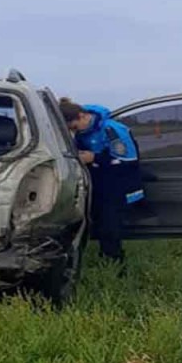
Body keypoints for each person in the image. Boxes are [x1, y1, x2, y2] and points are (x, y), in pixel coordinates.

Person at [59, 98, 145, 269]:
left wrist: (94, 158)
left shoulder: (111, 129)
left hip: (118, 186)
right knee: (97, 226)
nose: (74, 132)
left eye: (74, 127)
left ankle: (116, 267)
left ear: (82, 116)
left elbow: (129, 160)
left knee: (110, 228)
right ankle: (103, 260)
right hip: (97, 186)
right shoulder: (82, 134)